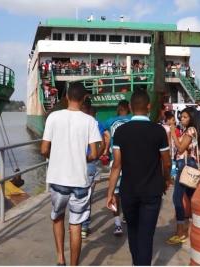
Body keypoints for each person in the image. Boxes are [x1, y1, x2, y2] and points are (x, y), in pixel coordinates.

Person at [106, 89, 171, 265]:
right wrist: (165, 180)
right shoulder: (159, 131)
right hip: (152, 192)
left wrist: (110, 192)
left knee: (133, 233)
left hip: (128, 191)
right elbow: (166, 163)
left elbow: (117, 165)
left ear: (130, 107)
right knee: (147, 235)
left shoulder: (120, 132)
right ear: (148, 107)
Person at [40, 82, 102, 266]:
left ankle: (60, 258)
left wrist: (58, 156)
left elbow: (44, 149)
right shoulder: (90, 121)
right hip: (80, 181)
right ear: (84, 99)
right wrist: (85, 159)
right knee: (76, 225)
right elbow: (95, 153)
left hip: (58, 178)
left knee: (58, 217)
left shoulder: (53, 117)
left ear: (66, 96)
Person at [168, 107, 200, 244]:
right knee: (190, 197)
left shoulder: (190, 130)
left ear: (191, 118)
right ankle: (191, 228)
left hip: (185, 166)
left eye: (185, 117)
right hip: (189, 165)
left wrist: (173, 133)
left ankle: (180, 231)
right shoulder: (189, 130)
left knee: (177, 198)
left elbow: (181, 148)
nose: (181, 119)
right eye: (181, 117)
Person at [103, 100, 132, 235]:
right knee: (129, 192)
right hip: (132, 163)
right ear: (129, 108)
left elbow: (101, 130)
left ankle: (117, 225)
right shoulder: (133, 120)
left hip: (116, 161)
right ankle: (127, 215)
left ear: (118, 109)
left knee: (115, 194)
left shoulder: (110, 121)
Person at [80, 100, 106, 239]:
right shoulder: (96, 123)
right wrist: (95, 156)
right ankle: (84, 227)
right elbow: (102, 143)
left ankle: (75, 224)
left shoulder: (73, 121)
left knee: (74, 195)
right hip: (90, 162)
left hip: (75, 163)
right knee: (87, 196)